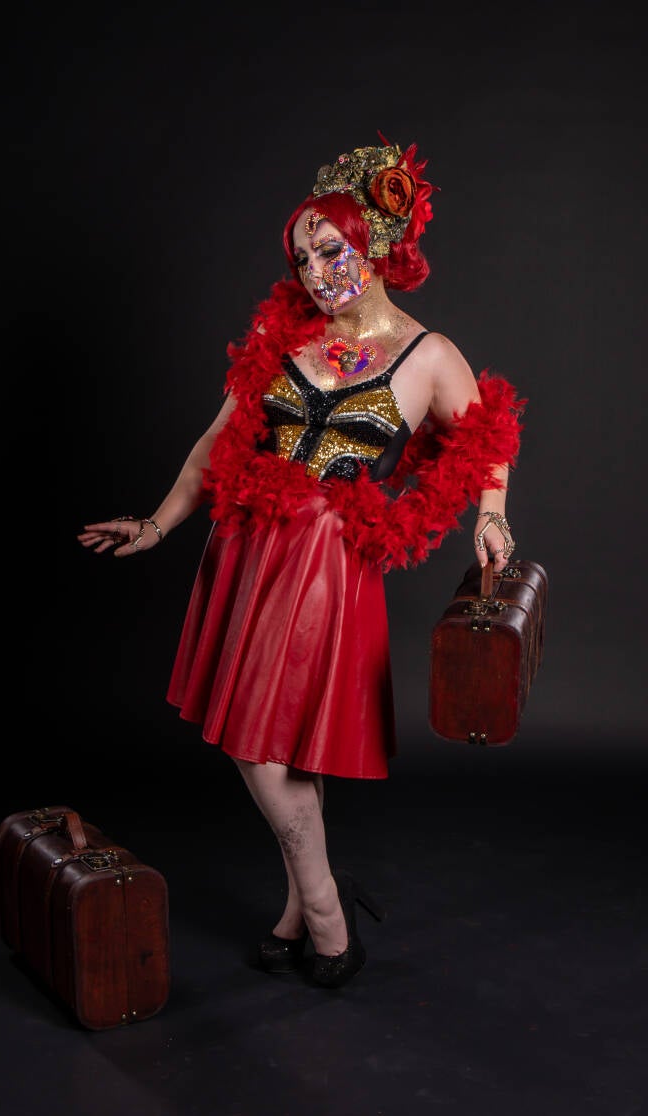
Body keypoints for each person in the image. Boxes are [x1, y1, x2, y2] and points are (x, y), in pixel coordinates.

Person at [77, 133, 523, 989]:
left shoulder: (427, 356)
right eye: (302, 258)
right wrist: (159, 524)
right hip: (246, 549)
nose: (315, 272)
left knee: (264, 747)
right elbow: (217, 442)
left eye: (330, 250)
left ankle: (324, 916)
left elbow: (486, 438)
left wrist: (492, 514)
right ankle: (303, 908)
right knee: (277, 742)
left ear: (373, 245)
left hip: (325, 562)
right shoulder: (279, 335)